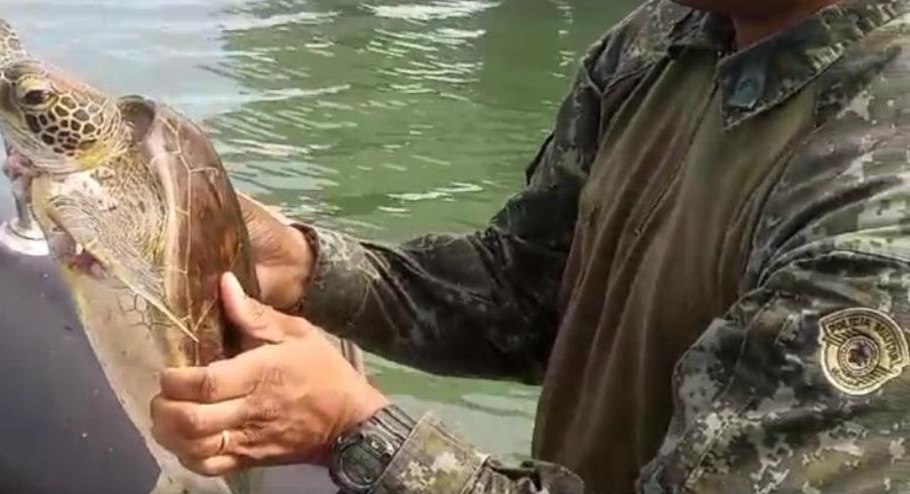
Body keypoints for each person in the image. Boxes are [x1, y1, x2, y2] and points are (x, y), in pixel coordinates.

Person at [149, 0, 910, 492]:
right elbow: (523, 292)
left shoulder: (881, 186)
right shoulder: (660, 40)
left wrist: (354, 432)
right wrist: (308, 266)